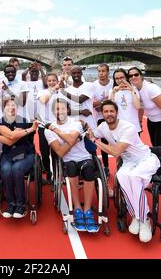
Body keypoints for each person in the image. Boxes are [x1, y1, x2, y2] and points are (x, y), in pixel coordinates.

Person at [90, 100, 160, 243]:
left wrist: (95, 141)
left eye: (111, 111)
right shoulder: (103, 126)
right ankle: (135, 215)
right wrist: (84, 128)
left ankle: (144, 219)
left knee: (134, 178)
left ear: (117, 113)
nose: (109, 114)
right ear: (102, 114)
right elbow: (92, 133)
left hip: (145, 159)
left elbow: (116, 151)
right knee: (121, 176)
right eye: (106, 112)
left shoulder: (128, 127)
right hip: (128, 162)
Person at [45, 99, 99, 233]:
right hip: (68, 160)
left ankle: (87, 210)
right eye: (57, 109)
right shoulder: (48, 131)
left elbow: (69, 140)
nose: (60, 111)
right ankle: (77, 209)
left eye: (63, 108)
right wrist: (76, 139)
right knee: (71, 169)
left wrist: (57, 131)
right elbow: (61, 152)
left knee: (88, 170)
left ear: (68, 110)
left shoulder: (76, 123)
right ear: (53, 111)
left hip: (84, 157)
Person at [0, 98, 38, 219]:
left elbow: (11, 137)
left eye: (14, 105)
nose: (11, 108)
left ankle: (20, 204)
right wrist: (28, 130)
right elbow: (9, 139)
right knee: (6, 170)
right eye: (8, 105)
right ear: (4, 109)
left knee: (17, 168)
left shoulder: (22, 121)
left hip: (25, 153)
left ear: (17, 108)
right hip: (8, 154)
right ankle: (10, 203)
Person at [127, 67, 161, 160]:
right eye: (130, 76)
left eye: (136, 74)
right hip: (152, 120)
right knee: (156, 148)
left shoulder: (151, 88)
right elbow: (140, 108)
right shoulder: (135, 89)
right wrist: (140, 122)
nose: (133, 77)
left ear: (141, 76)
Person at [91, 63, 113, 177]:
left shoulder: (113, 84)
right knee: (104, 142)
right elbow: (92, 104)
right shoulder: (93, 85)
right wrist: (104, 101)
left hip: (113, 117)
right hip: (100, 118)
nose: (101, 73)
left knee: (117, 142)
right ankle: (106, 166)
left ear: (108, 72)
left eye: (103, 71)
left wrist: (104, 103)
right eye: (99, 71)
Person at [37, 73, 59, 183]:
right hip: (44, 126)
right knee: (44, 152)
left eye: (54, 80)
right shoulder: (42, 92)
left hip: (56, 126)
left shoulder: (60, 93)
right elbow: (44, 100)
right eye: (49, 80)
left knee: (56, 152)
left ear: (57, 81)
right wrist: (53, 90)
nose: (51, 82)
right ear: (46, 82)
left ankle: (56, 174)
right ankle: (48, 173)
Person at [109, 68, 142, 134]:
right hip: (119, 127)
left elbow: (137, 107)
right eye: (117, 78)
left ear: (126, 78)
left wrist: (132, 90)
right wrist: (113, 93)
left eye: (122, 77)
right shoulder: (112, 91)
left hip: (133, 126)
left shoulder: (134, 89)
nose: (120, 80)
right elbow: (110, 108)